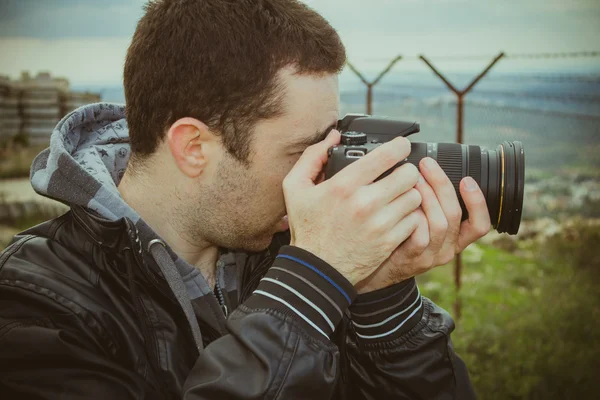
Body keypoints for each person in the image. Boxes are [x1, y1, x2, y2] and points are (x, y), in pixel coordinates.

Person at [0, 0, 491, 398]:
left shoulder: (290, 249)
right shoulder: (34, 306)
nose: (319, 176)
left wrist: (384, 302)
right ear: (193, 148)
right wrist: (308, 288)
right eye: (302, 151)